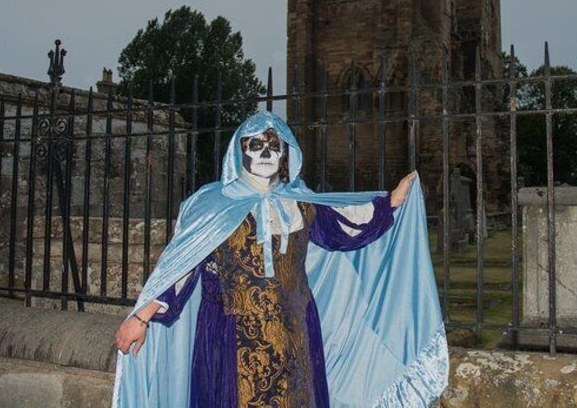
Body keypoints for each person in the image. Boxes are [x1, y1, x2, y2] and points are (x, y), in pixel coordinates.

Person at [112, 111, 447, 407]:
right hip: (230, 335)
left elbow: (346, 223)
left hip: (295, 333)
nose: (266, 153)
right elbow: (181, 267)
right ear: (239, 151)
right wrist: (141, 317)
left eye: (274, 146)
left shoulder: (299, 202)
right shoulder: (212, 204)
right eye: (255, 145)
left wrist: (390, 201)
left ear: (286, 154)